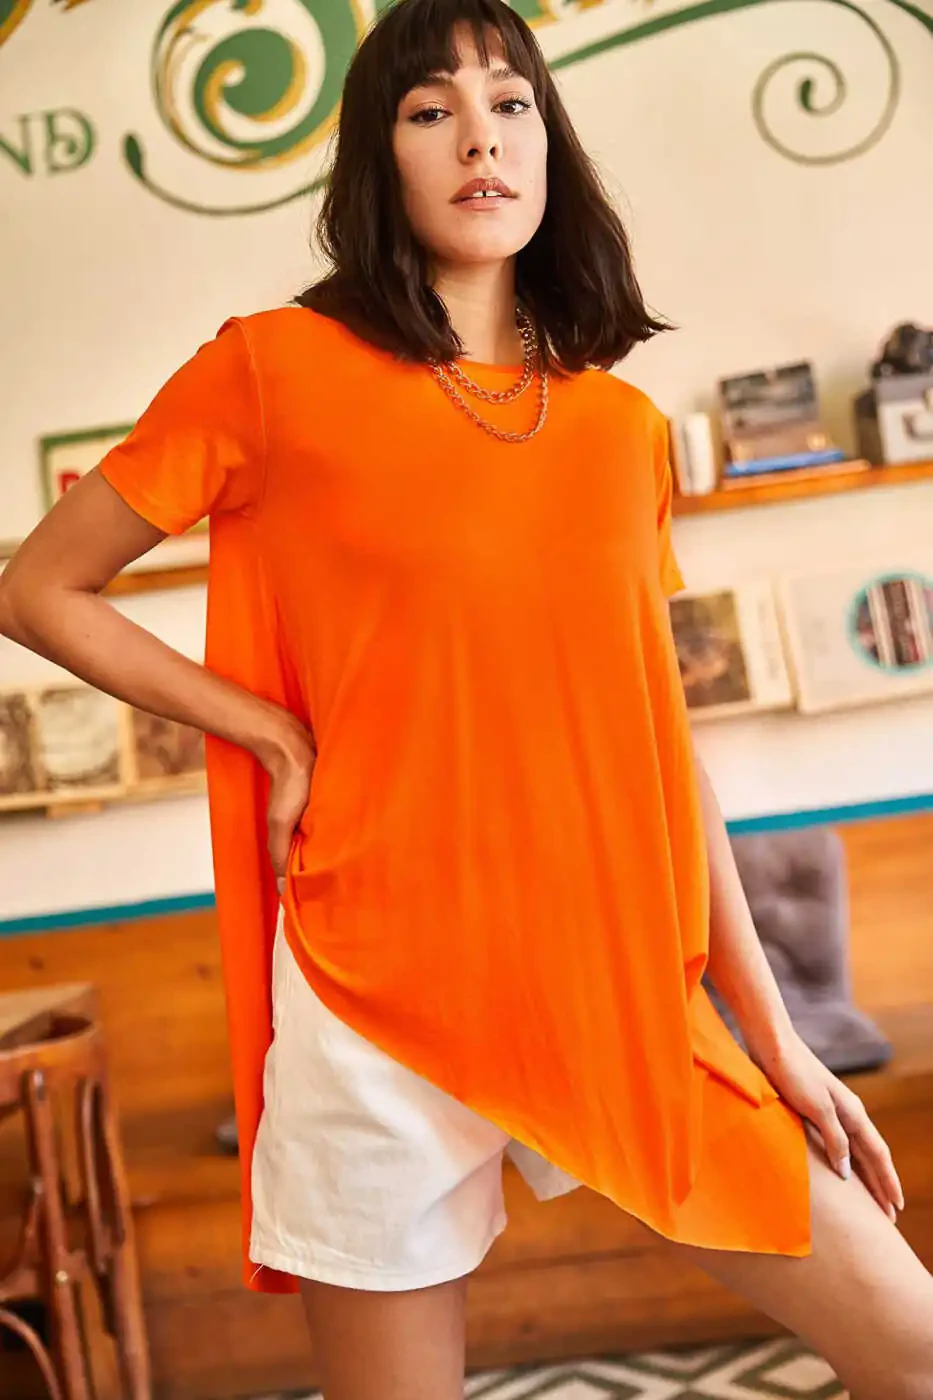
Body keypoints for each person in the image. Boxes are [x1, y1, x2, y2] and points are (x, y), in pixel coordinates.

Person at [2, 1, 931, 1396]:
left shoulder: (619, 430)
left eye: (511, 105)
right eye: (432, 110)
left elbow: (657, 743)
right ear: (379, 159)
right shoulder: (268, 370)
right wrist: (265, 727)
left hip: (608, 984)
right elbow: (38, 589)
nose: (480, 139)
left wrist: (777, 1034)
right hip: (371, 988)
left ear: (550, 146)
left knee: (913, 1347)